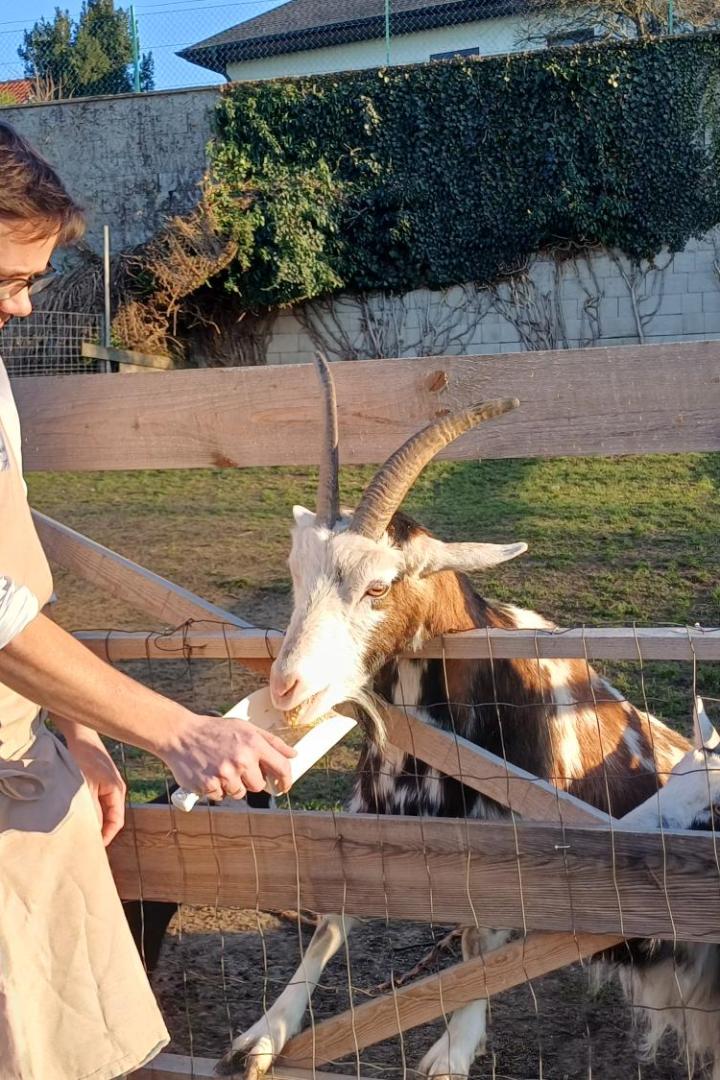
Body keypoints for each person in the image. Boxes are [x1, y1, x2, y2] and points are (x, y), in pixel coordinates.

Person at [0, 119, 295, 1079]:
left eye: (33, 279)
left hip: (20, 770)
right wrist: (179, 731)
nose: (24, 305)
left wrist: (73, 724)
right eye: (9, 277)